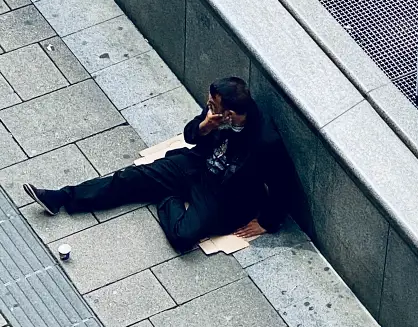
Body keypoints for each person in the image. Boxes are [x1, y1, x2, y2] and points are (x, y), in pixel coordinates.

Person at [23, 77, 291, 252]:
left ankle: (165, 195)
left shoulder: (265, 140)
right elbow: (189, 136)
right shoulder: (214, 114)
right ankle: (62, 197)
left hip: (224, 194)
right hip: (196, 166)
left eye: (213, 107)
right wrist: (204, 126)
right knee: (129, 178)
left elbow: (284, 184)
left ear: (230, 113)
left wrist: (267, 222)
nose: (208, 108)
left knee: (183, 237)